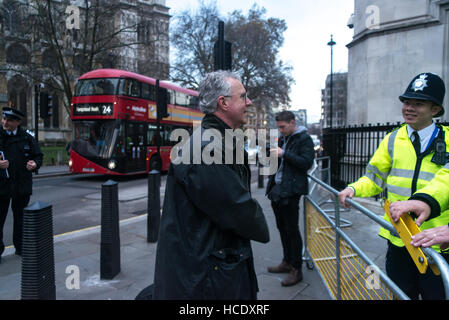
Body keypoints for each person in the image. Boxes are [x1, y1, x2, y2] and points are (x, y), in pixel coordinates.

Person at [152, 71, 269, 299]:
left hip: (214, 266)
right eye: (243, 96)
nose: (249, 102)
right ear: (223, 103)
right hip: (206, 278)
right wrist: (261, 225)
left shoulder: (218, 140)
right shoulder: (208, 148)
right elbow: (238, 209)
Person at [338, 72, 449, 299]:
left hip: (435, 244)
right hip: (397, 240)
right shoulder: (391, 139)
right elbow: (373, 178)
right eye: (406, 102)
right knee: (400, 294)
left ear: (435, 110)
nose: (409, 108)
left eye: (418, 103)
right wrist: (354, 188)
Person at [265, 110, 315, 287]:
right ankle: (287, 261)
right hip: (278, 190)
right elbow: (279, 164)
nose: (281, 131)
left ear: (292, 122)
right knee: (282, 228)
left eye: (283, 127)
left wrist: (284, 154)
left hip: (291, 191)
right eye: (278, 128)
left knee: (292, 230)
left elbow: (306, 163)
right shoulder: (282, 139)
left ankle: (296, 269)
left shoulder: (304, 139)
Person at [0, 107, 43, 263]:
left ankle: (20, 247)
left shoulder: (27, 138)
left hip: (21, 185)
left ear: (18, 122)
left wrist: (34, 164)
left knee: (20, 219)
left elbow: (38, 156)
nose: (5, 122)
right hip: (2, 186)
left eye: (9, 120)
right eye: (4, 119)